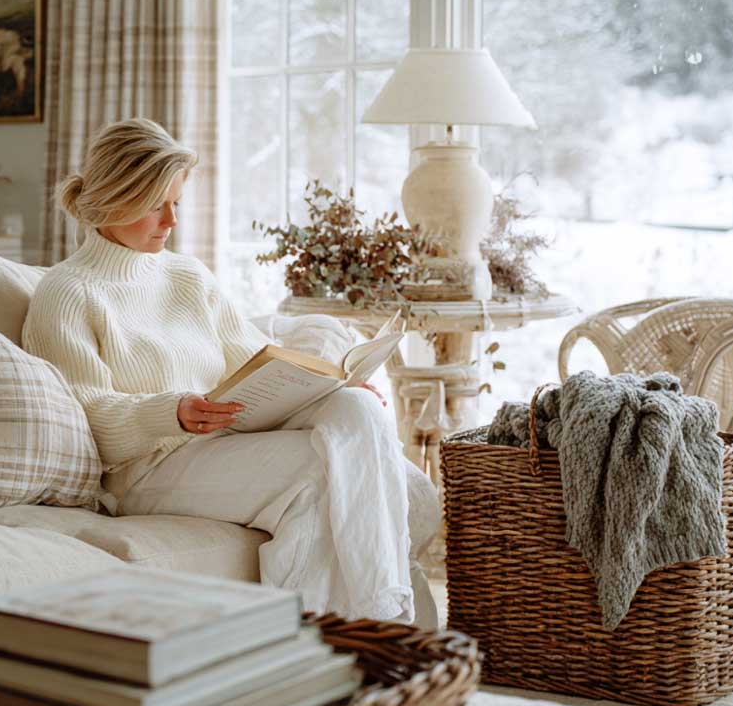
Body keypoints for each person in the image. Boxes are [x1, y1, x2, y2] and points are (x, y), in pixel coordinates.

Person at [23, 118, 440, 626]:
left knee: (353, 407)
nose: (172, 220)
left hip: (222, 442)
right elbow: (85, 416)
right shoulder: (68, 292)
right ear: (116, 197)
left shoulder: (187, 275)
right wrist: (170, 412)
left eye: (177, 203)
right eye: (158, 204)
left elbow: (255, 357)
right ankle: (372, 624)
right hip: (147, 470)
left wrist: (331, 379)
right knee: (321, 470)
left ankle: (360, 621)